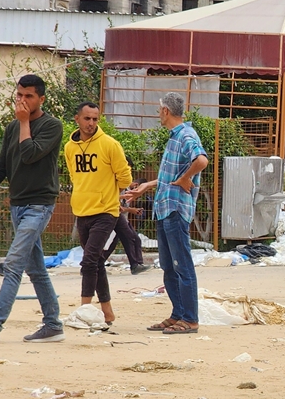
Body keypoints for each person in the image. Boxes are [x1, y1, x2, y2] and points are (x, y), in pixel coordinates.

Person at [0, 74, 66, 344]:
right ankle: (53, 324)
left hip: (39, 205)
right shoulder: (13, 127)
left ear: (41, 99)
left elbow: (30, 154)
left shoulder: (51, 126)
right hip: (18, 205)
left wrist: (24, 122)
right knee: (36, 269)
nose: (22, 101)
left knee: (13, 264)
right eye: (19, 95)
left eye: (29, 96)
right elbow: (2, 166)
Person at [122, 93, 208, 335]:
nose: (157, 113)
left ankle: (190, 319)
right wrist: (148, 186)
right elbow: (170, 174)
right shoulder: (175, 137)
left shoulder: (186, 135)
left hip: (175, 208)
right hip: (164, 208)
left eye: (159, 109)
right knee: (169, 266)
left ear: (166, 111)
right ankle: (178, 314)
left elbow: (201, 160)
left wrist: (185, 178)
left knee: (182, 265)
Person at [64, 101, 132, 326]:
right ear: (77, 119)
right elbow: (74, 176)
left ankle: (84, 309)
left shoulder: (110, 144)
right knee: (97, 263)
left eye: (95, 119)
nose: (91, 123)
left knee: (89, 260)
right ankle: (108, 312)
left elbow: (125, 178)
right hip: (82, 211)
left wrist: (108, 191)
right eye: (87, 118)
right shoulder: (69, 148)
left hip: (106, 211)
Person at [105, 205, 151, 274]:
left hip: (120, 217)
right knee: (126, 239)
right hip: (114, 215)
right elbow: (115, 203)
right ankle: (95, 265)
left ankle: (137, 264)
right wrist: (130, 209)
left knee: (134, 239)